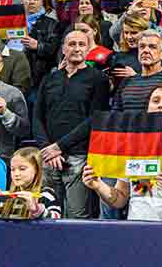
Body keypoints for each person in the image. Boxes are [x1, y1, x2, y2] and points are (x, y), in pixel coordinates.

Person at [83, 83, 162, 221]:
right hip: (137, 229)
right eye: (155, 101)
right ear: (148, 109)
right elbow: (120, 199)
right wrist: (98, 185)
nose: (160, 105)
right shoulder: (131, 145)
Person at [33, 30, 109, 219]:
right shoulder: (49, 79)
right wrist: (46, 149)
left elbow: (95, 118)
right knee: (47, 216)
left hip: (78, 157)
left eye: (81, 44)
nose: (76, 48)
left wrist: (59, 146)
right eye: (72, 44)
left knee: (77, 216)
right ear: (63, 49)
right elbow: (37, 117)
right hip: (48, 158)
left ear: (88, 49)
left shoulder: (98, 79)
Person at [0, 147, 61, 219]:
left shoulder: (46, 194)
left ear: (37, 170)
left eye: (22, 169)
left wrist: (36, 209)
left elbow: (56, 220)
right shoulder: (6, 199)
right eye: (13, 169)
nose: (16, 174)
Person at [114, 29, 162, 112]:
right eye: (142, 46)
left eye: (152, 47)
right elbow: (116, 114)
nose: (145, 51)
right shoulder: (126, 82)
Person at [20, 0, 60, 92]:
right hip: (15, 75)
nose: (32, 2)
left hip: (38, 79)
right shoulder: (10, 23)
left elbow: (54, 50)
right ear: (22, 1)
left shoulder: (52, 24)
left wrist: (38, 46)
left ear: (42, 2)